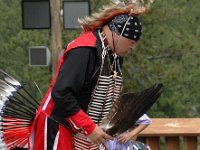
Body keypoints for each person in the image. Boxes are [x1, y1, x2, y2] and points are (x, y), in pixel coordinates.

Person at [28, 1, 151, 150]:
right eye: (131, 41)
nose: (133, 47)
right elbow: (61, 93)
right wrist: (89, 127)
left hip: (83, 129)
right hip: (58, 125)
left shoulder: (114, 55)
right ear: (117, 34)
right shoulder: (85, 49)